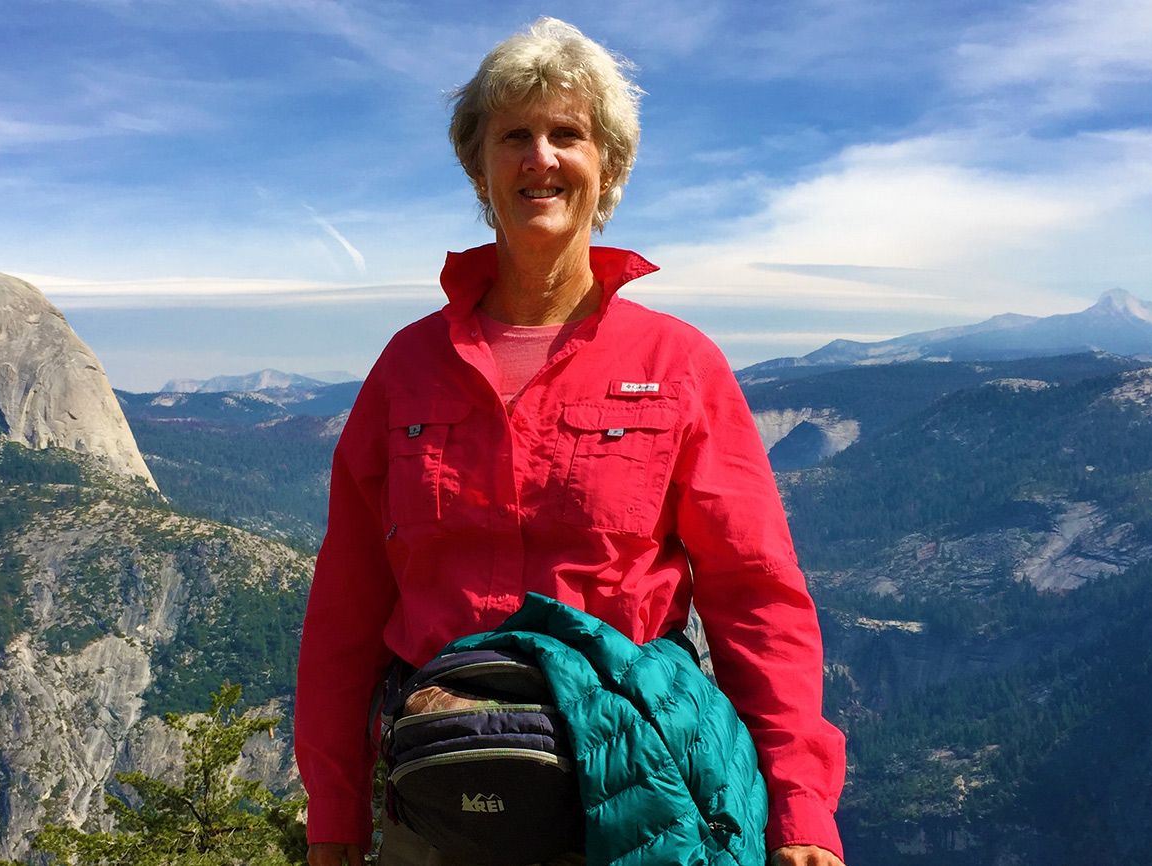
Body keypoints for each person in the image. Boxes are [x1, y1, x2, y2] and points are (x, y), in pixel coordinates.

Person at [296, 17, 846, 866]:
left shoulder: (678, 364)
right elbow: (347, 605)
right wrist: (334, 812)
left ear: (610, 166)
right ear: (479, 166)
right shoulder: (409, 367)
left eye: (568, 135)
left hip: (634, 788)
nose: (539, 158)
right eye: (513, 135)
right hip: (443, 794)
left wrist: (801, 812)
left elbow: (756, 595)